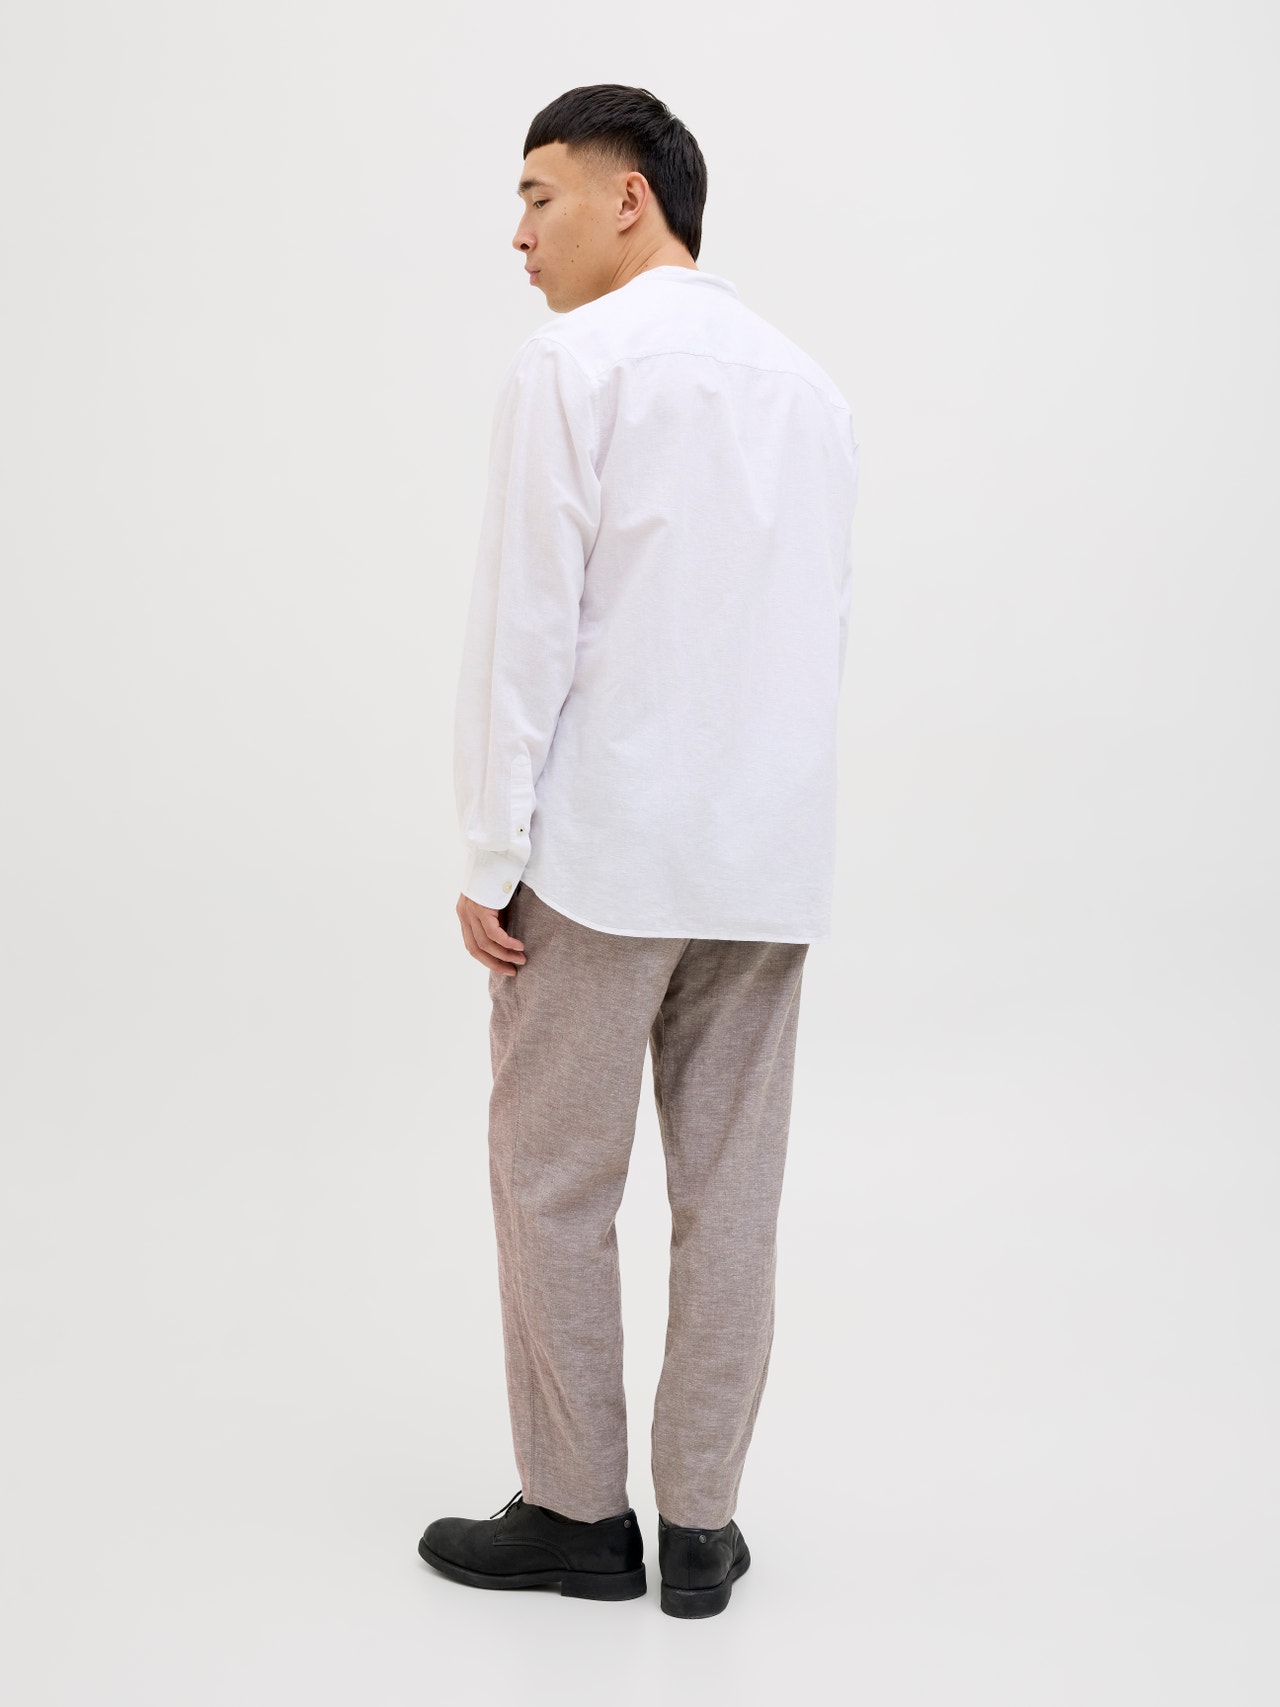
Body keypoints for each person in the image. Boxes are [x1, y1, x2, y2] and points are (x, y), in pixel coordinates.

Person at [418, 83, 860, 1619]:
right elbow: (818, 633)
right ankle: (703, 1532)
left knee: (554, 1181)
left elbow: (526, 628)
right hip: (766, 863)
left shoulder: (574, 363)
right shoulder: (811, 389)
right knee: (733, 1197)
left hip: (604, 854)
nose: (518, 231)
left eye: (538, 193)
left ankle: (576, 1512)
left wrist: (490, 850)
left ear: (631, 198)